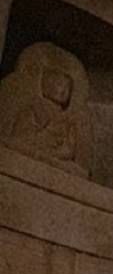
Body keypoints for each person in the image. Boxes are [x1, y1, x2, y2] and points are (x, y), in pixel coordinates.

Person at [0, 42, 91, 177]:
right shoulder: (34, 106)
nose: (63, 90)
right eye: (58, 83)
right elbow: (20, 134)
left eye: (68, 87)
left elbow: (70, 149)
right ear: (44, 82)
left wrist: (62, 149)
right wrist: (42, 137)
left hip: (55, 154)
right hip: (31, 143)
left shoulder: (69, 118)